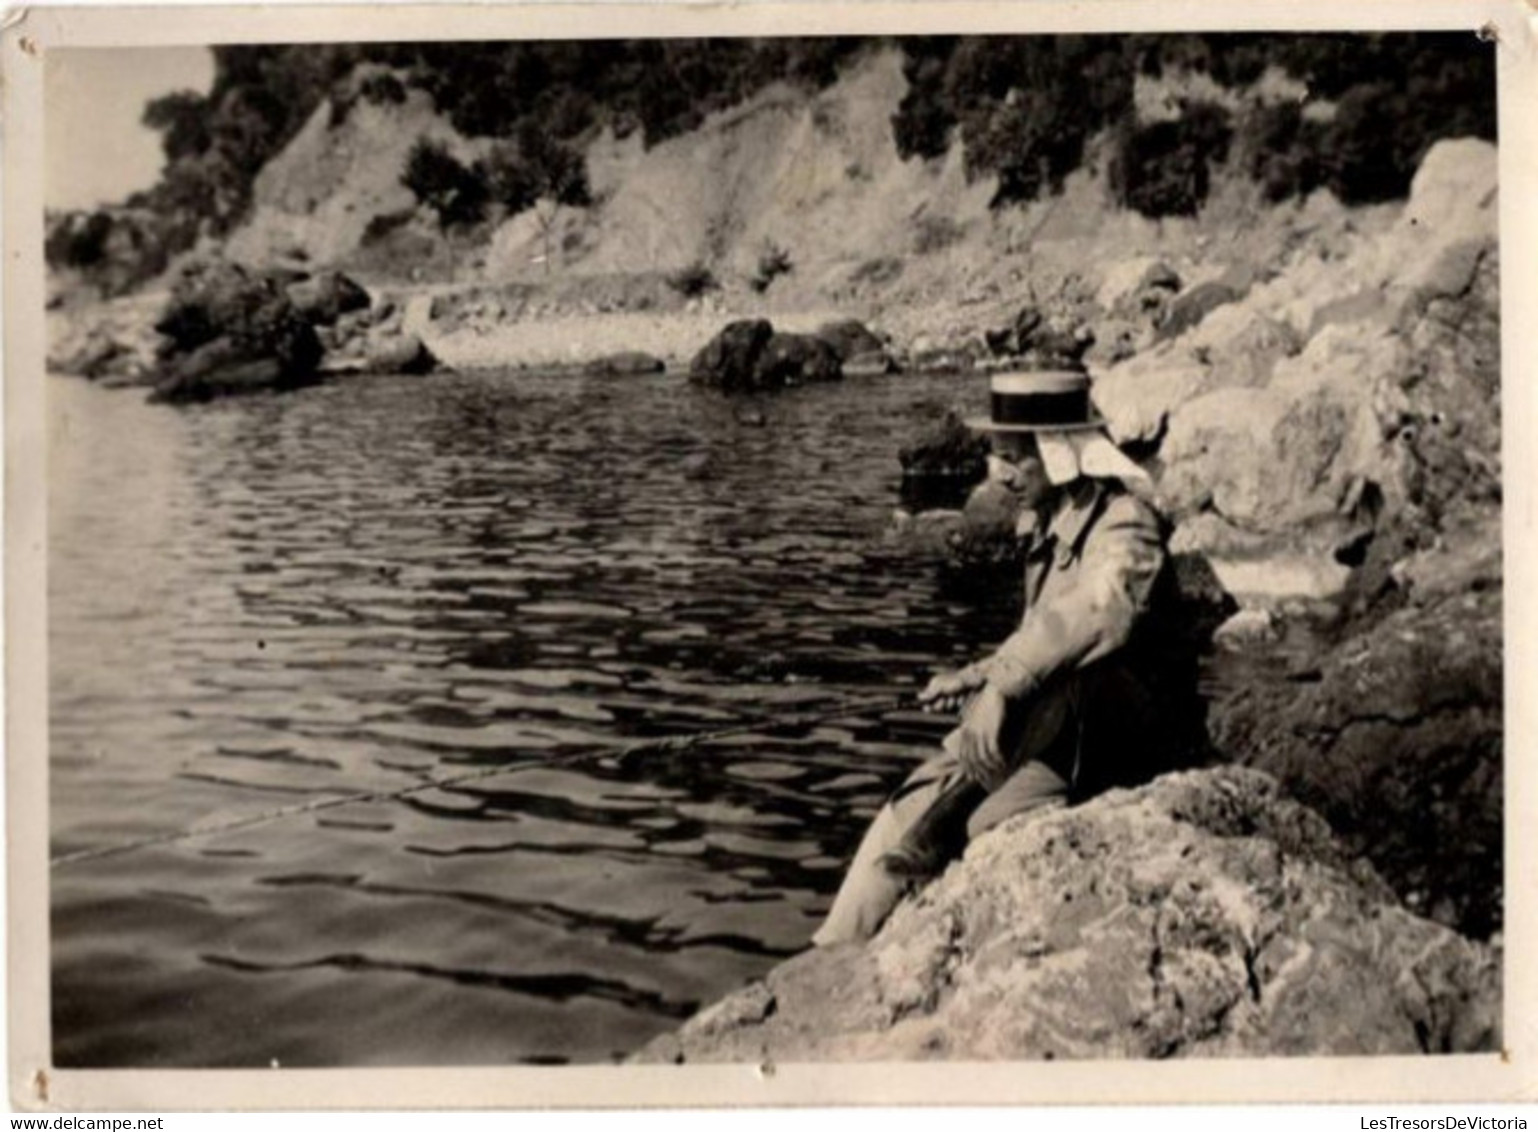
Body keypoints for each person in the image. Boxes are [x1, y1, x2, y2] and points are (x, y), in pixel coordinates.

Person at [813, 369, 1173, 946]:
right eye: (996, 456)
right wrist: (974, 678)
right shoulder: (1048, 522)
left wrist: (1002, 687)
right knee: (908, 805)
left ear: (1060, 454)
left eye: (1014, 458)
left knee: (978, 822)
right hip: (1053, 731)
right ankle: (832, 951)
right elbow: (1040, 637)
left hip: (1110, 742)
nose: (999, 475)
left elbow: (1097, 612)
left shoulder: (1124, 524)